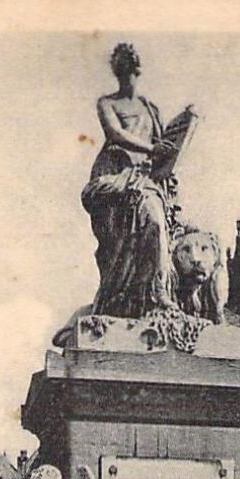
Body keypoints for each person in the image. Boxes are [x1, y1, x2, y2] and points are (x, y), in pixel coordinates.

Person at [81, 43, 178, 318]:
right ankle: (116, 298)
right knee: (114, 249)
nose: (128, 78)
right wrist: (150, 149)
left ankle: (158, 292)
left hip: (144, 179)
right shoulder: (106, 103)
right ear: (117, 73)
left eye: (131, 71)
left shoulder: (151, 109)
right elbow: (115, 134)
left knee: (156, 224)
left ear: (137, 71)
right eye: (122, 72)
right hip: (114, 175)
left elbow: (164, 145)